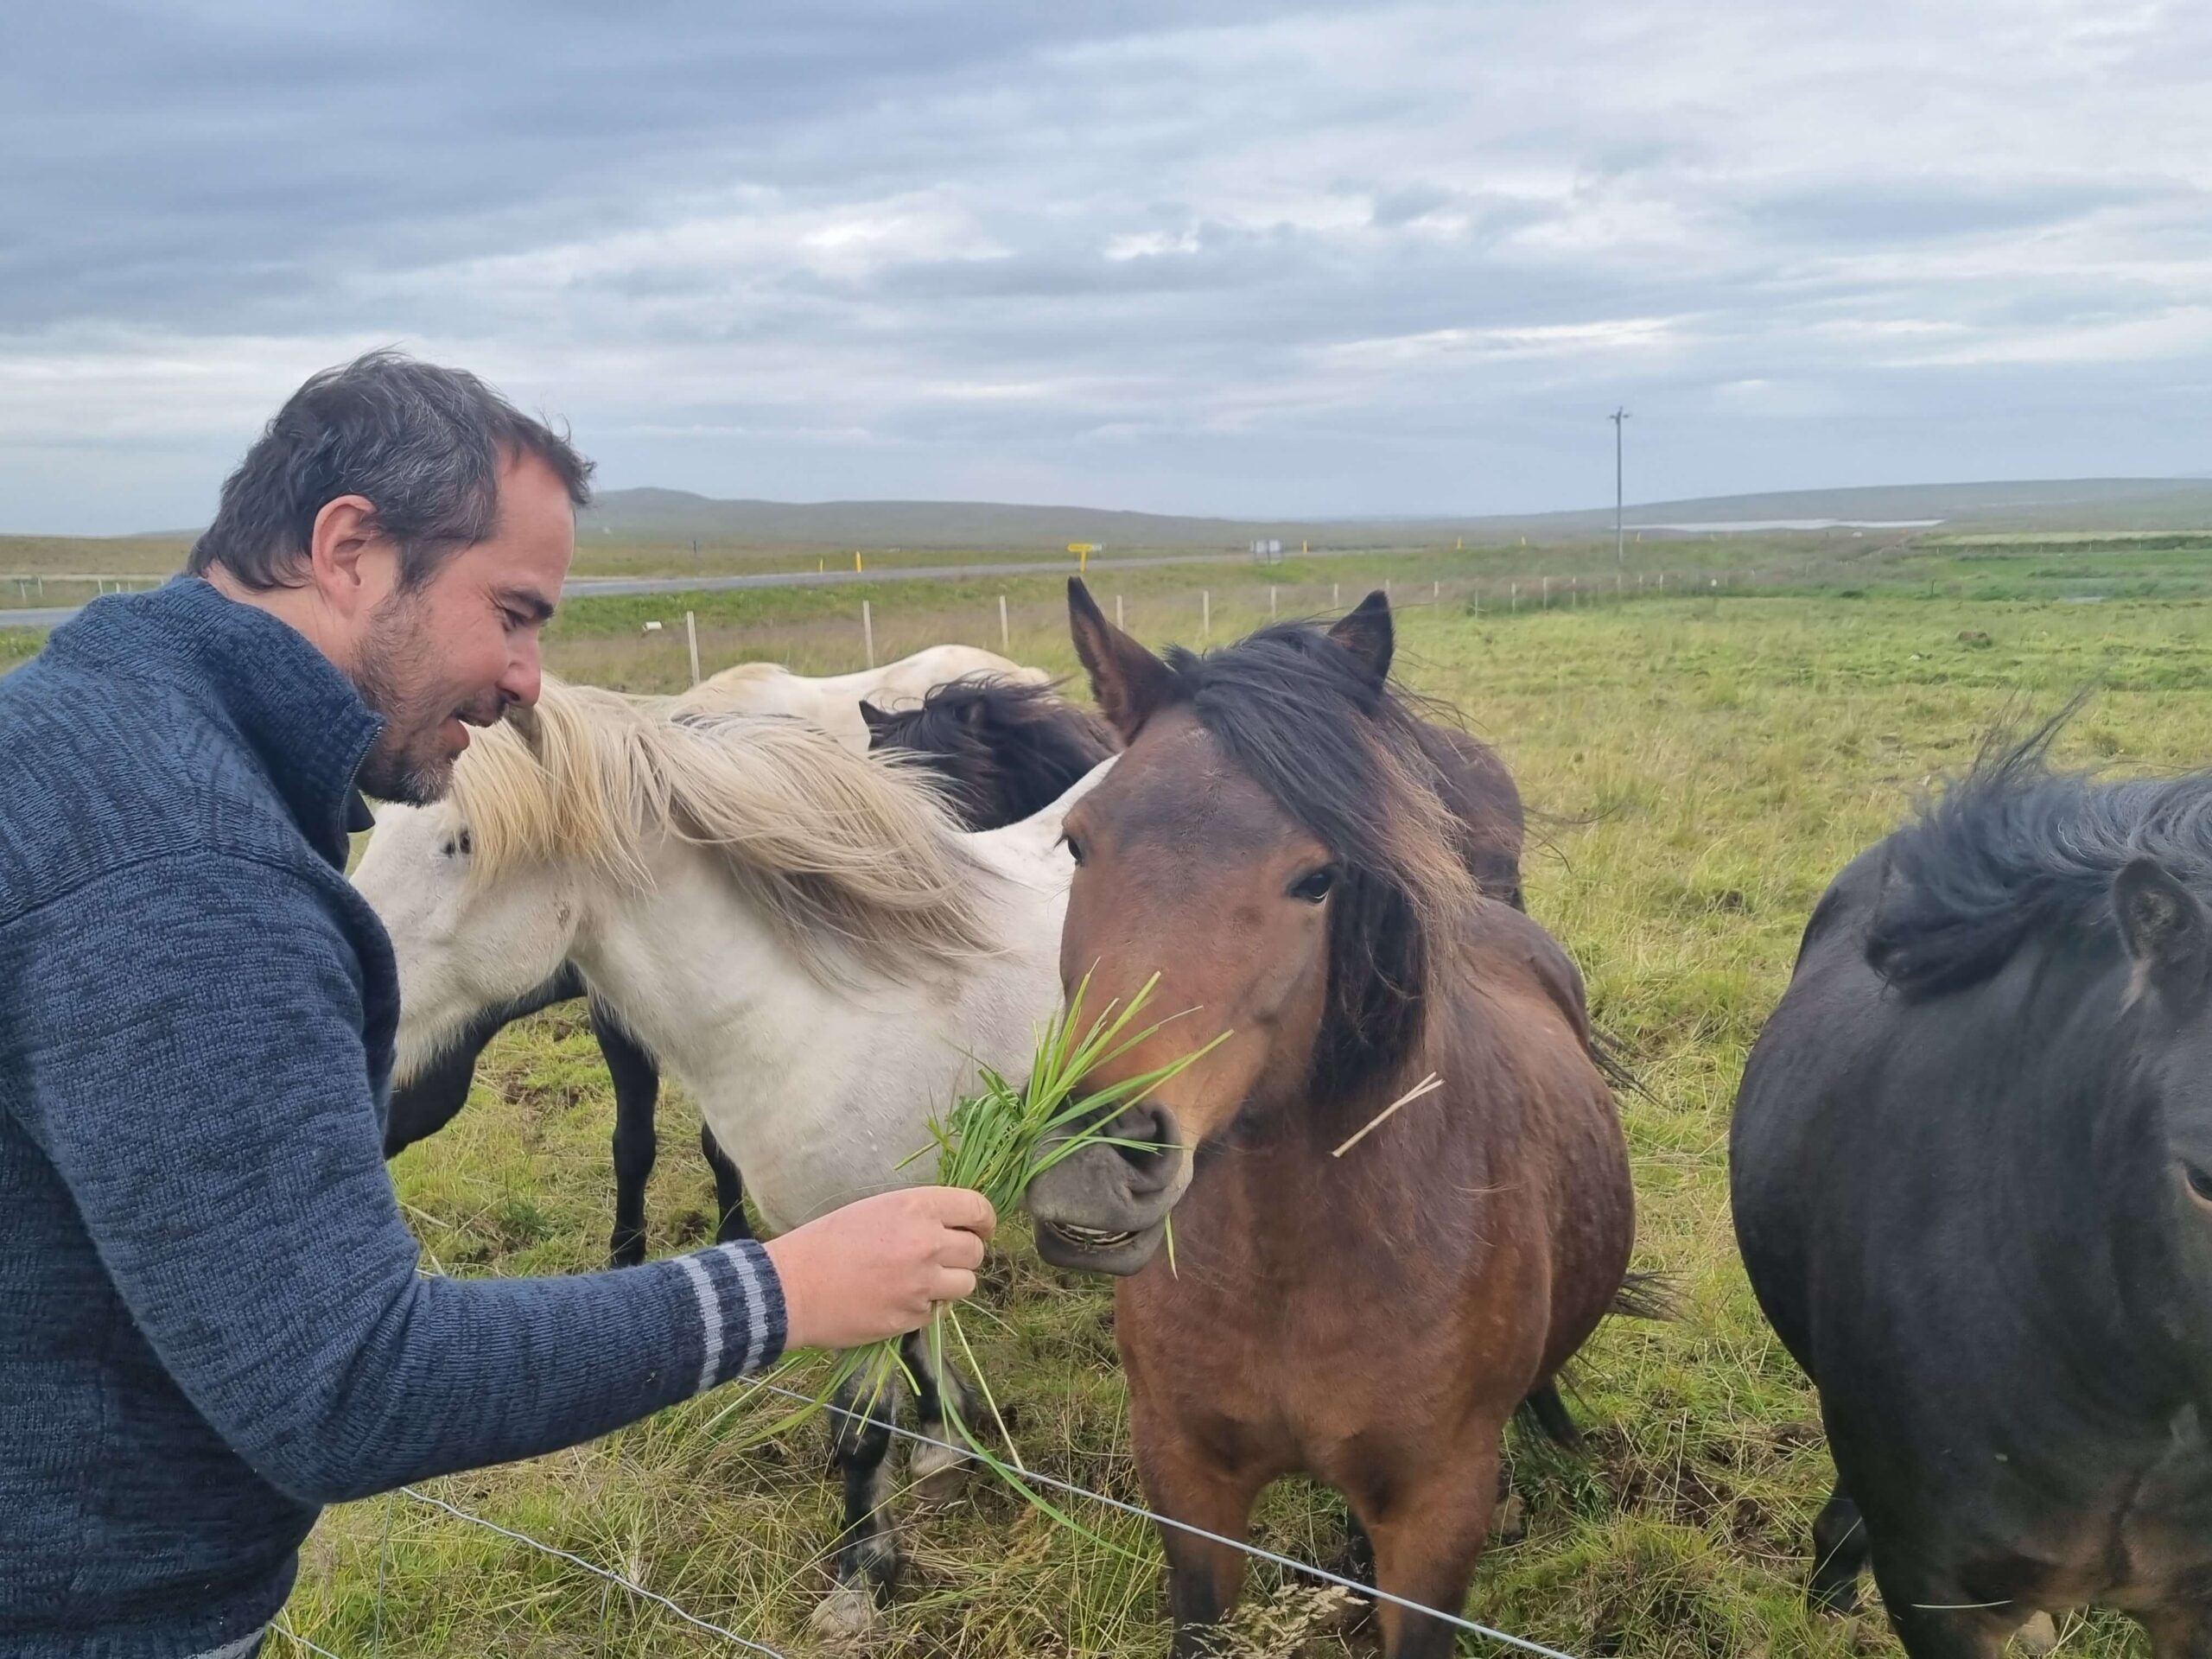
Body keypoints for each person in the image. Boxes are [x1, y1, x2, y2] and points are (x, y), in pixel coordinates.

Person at [0, 351, 995, 1659]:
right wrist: (783, 1287)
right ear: (350, 550)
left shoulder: (71, 729)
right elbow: (346, 1385)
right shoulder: (192, 876)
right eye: (513, 613)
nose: (529, 679)